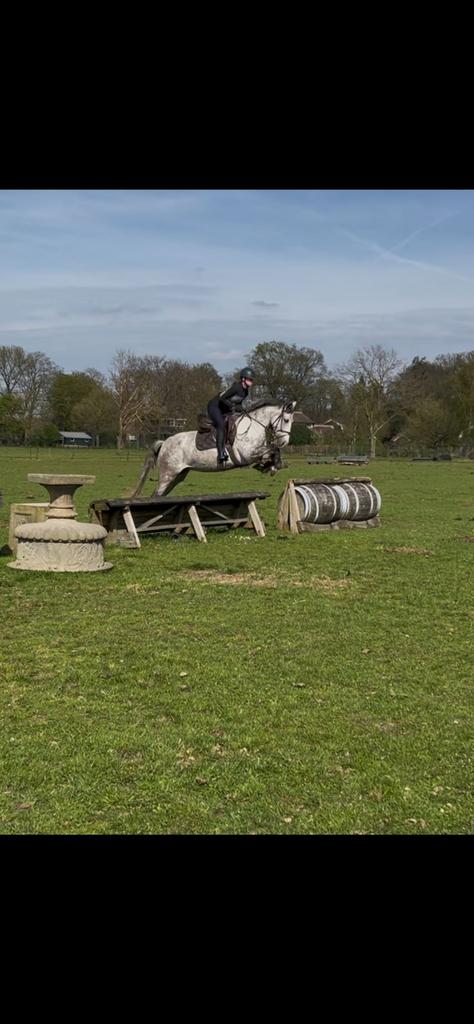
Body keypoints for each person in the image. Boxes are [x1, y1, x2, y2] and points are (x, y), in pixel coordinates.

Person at [207, 367, 255, 462]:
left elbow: (238, 405)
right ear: (243, 379)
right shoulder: (236, 387)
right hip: (214, 406)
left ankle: (228, 447)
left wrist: (246, 410)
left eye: (252, 380)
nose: (251, 381)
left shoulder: (245, 392)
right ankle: (220, 453)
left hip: (224, 409)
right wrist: (232, 406)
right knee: (221, 425)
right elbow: (222, 398)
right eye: (249, 379)